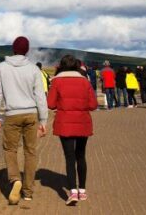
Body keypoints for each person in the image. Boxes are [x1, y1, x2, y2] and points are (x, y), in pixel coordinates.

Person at [0, 36, 48, 205]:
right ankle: (28, 192)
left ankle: (15, 179)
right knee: (30, 152)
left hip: (12, 114)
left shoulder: (1, 67)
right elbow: (40, 97)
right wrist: (43, 120)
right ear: (27, 51)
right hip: (31, 114)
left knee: (10, 149)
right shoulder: (34, 69)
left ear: (13, 49)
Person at [47, 54, 97, 205]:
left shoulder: (57, 81)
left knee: (69, 157)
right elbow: (93, 105)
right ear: (76, 66)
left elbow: (50, 104)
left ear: (61, 66)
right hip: (82, 122)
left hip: (65, 123)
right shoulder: (85, 81)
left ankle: (73, 192)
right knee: (81, 156)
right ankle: (82, 190)